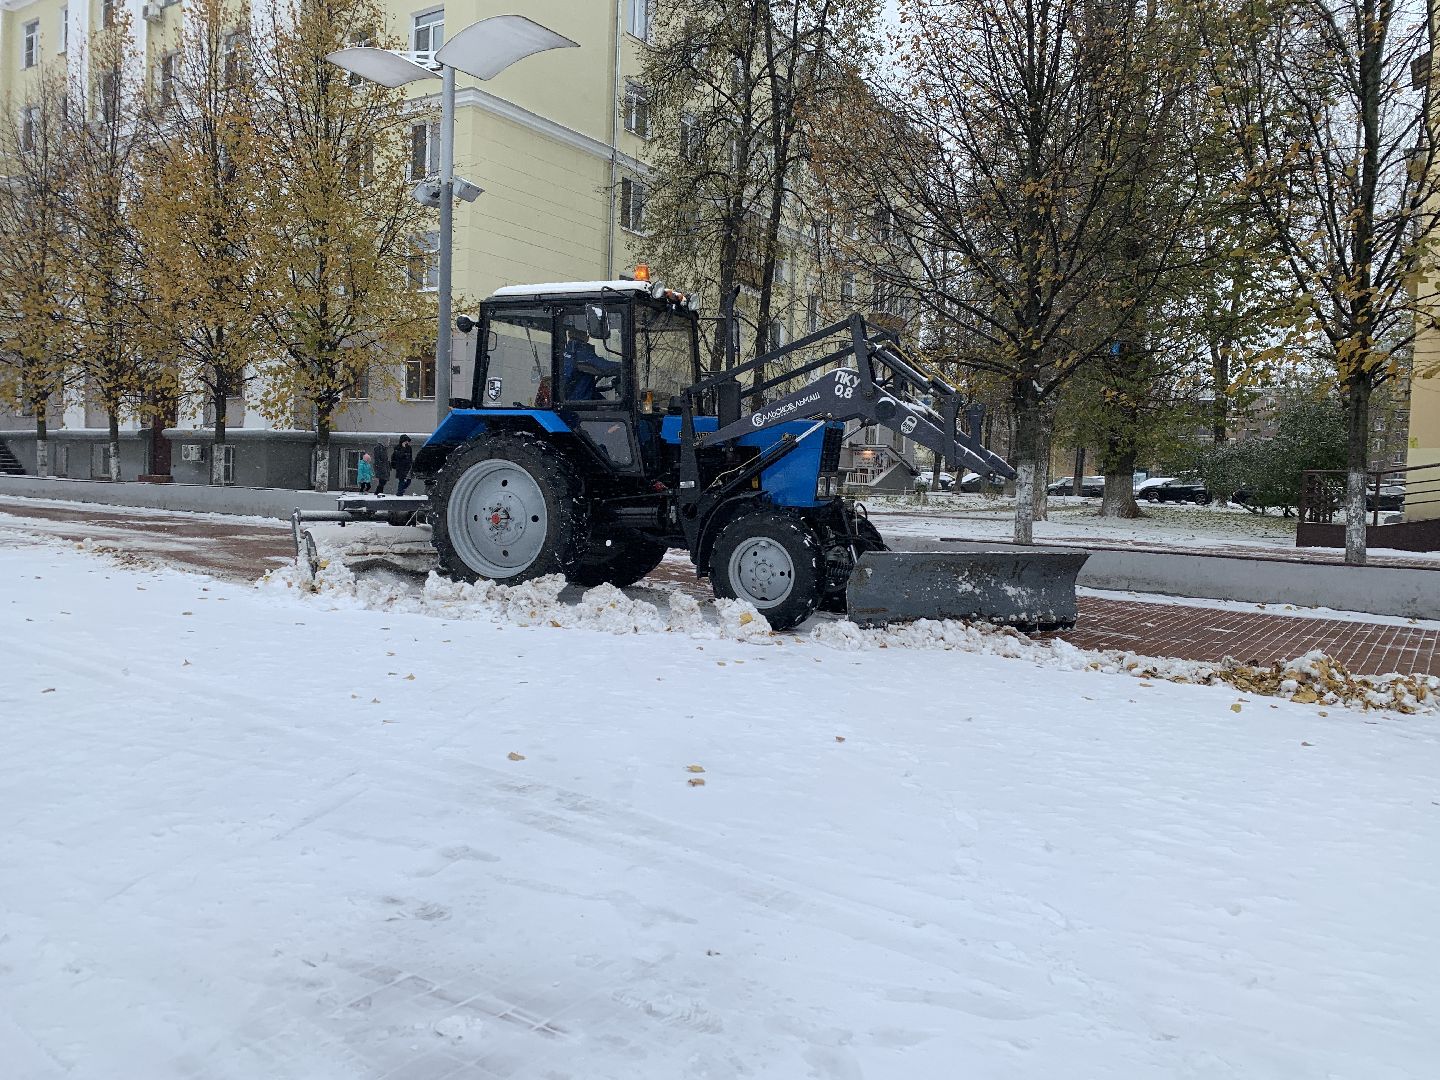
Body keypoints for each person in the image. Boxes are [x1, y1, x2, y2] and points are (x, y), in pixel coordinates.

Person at [561, 326, 621, 400]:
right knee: (612, 409)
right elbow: (602, 367)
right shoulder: (580, 352)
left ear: (569, 335)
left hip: (578, 396)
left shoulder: (567, 352)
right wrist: (623, 366)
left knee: (610, 406)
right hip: (579, 402)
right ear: (586, 337)